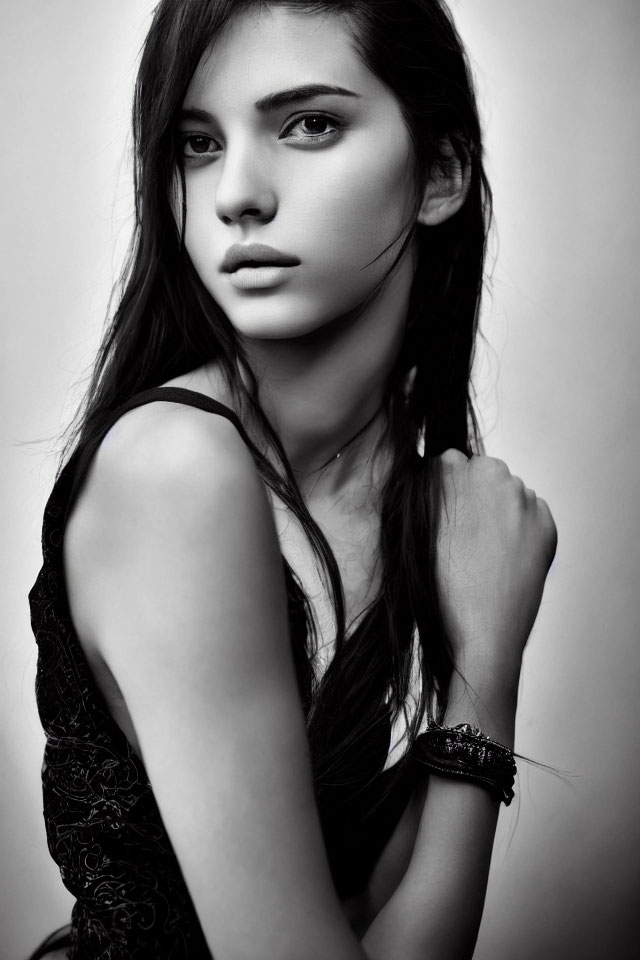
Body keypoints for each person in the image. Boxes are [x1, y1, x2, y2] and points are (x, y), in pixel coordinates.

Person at [27, 0, 557, 957]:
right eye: (196, 142)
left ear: (440, 174)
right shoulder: (174, 470)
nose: (237, 192)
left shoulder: (413, 497)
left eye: (309, 124)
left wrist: (475, 642)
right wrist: (485, 677)